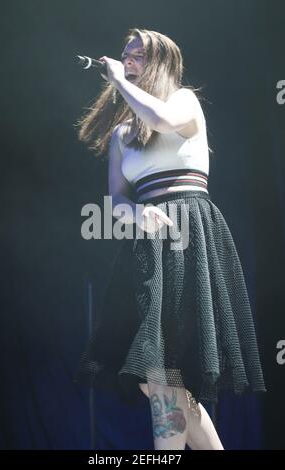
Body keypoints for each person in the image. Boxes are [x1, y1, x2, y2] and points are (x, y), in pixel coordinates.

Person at [73, 28, 266, 450]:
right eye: (125, 56)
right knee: (157, 377)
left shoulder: (182, 100)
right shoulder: (124, 134)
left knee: (164, 376)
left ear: (162, 62)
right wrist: (137, 212)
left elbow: (159, 120)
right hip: (148, 246)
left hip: (188, 233)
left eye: (138, 55)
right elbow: (116, 200)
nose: (129, 61)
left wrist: (120, 83)